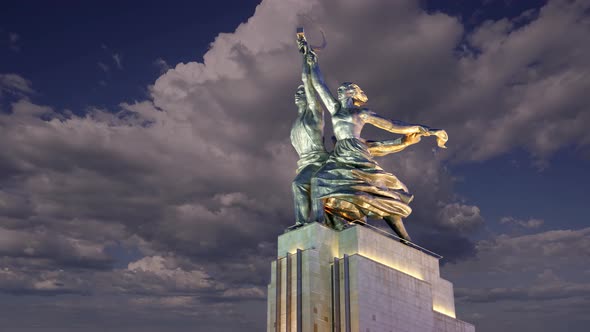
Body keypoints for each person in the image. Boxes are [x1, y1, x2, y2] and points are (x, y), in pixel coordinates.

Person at [302, 49, 448, 242]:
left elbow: (393, 125)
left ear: (352, 93)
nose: (339, 90)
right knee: (319, 179)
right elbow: (319, 86)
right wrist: (312, 63)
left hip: (357, 152)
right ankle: (319, 222)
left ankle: (403, 236)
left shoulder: (362, 113)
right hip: (340, 154)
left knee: (374, 190)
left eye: (344, 88)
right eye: (340, 88)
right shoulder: (335, 108)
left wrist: (428, 130)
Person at [289, 51, 328, 226]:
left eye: (302, 93)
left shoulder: (314, 113)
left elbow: (308, 82)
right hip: (304, 164)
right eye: (296, 93)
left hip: (318, 162)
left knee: (298, 184)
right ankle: (303, 224)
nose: (298, 95)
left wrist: (306, 59)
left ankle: (309, 222)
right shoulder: (296, 122)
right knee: (299, 184)